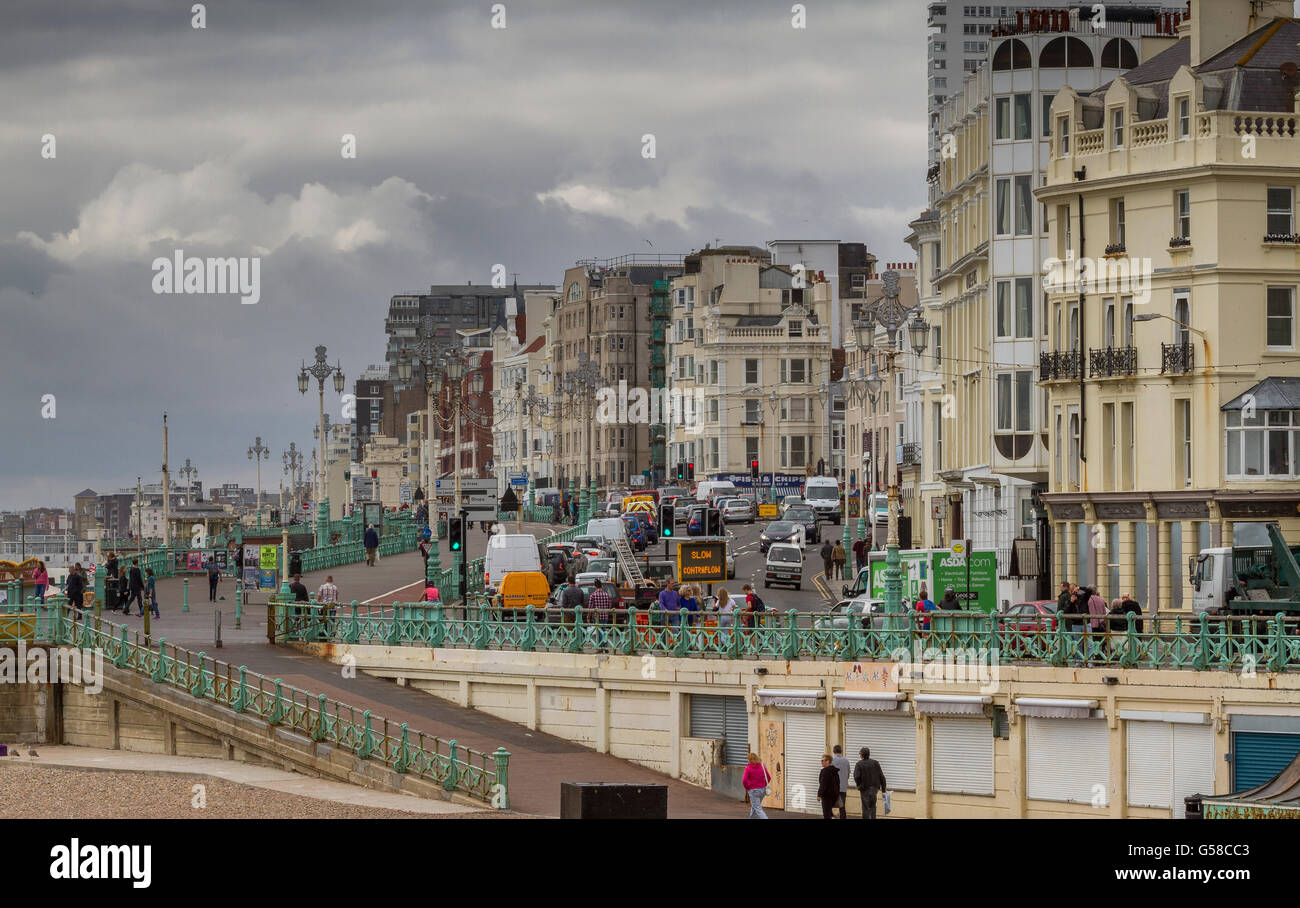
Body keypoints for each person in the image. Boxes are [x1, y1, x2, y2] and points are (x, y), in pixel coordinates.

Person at [853, 746, 888, 819]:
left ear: (861, 755)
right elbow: (881, 776)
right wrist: (883, 788)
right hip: (874, 789)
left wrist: (859, 785)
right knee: (873, 807)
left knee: (865, 807)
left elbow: (856, 777)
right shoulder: (875, 763)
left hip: (864, 789)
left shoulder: (859, 764)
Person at [742, 753, 772, 819]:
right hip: (762, 790)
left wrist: (748, 788)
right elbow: (768, 777)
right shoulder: (762, 767)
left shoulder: (748, 768)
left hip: (753, 791)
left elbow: (744, 780)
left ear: (749, 760)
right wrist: (763, 784)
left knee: (758, 808)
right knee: (754, 807)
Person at [587, 577, 615, 645]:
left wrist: (588, 617)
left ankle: (601, 646)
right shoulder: (606, 595)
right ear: (601, 586)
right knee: (603, 630)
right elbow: (609, 605)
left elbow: (590, 607)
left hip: (596, 616)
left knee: (599, 631)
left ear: (595, 586)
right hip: (605, 616)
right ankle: (605, 645)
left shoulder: (593, 595)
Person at [817, 754, 841, 820]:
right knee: (829, 813)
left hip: (826, 796)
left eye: (822, 761)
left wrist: (819, 795)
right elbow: (838, 783)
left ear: (828, 761)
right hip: (834, 796)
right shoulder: (835, 771)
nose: (821, 762)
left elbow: (823, 784)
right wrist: (837, 793)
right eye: (821, 761)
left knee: (826, 814)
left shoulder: (825, 771)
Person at [831, 745, 851, 819]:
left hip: (833, 787)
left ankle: (831, 816)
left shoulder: (831, 760)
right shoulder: (846, 761)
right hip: (843, 787)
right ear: (841, 751)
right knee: (842, 805)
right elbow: (848, 775)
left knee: (829, 804)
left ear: (833, 751)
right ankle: (842, 817)